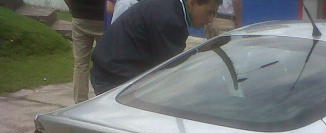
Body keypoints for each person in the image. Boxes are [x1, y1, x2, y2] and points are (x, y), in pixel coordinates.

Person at [91, 0, 219, 95]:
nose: (211, 19)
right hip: (114, 79)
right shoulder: (171, 19)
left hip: (111, 69)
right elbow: (170, 70)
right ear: (192, 3)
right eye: (209, 12)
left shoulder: (171, 7)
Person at [64, 0, 104, 103]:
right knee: (106, 61)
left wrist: (74, 9)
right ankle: (105, 98)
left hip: (80, 16)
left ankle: (79, 101)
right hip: (102, 17)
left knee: (80, 64)